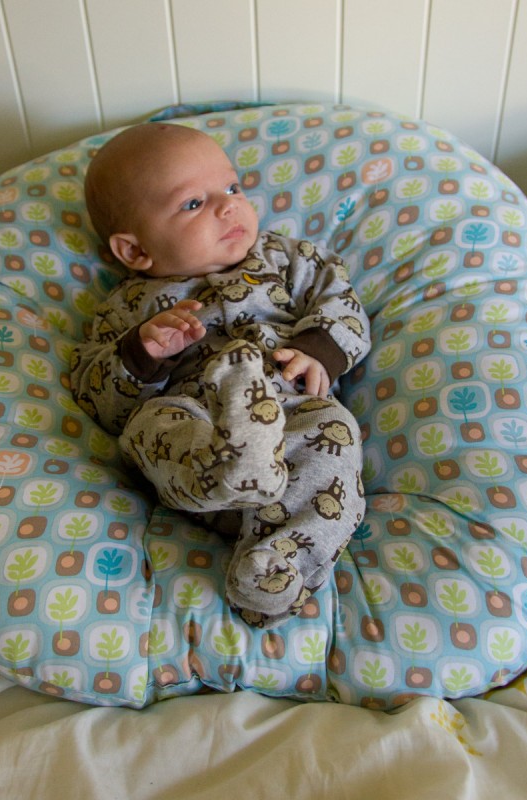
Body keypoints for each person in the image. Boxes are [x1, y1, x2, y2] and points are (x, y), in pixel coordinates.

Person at [70, 123, 371, 627]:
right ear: (135, 251)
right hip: (195, 433)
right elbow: (95, 394)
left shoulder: (285, 259)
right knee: (150, 424)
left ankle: (272, 573)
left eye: (232, 189)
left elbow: (341, 301)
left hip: (290, 414)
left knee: (333, 437)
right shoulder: (126, 308)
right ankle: (225, 467)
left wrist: (316, 350)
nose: (228, 206)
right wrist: (141, 352)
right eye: (192, 204)